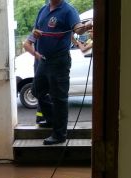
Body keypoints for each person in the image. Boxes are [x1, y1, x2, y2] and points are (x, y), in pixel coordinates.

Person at [23, 1, 93, 145]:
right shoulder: (43, 9)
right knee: (37, 91)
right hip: (43, 59)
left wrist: (85, 27)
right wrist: (34, 34)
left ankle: (59, 134)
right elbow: (36, 31)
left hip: (59, 61)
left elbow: (77, 29)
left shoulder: (68, 10)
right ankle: (51, 120)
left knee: (59, 99)